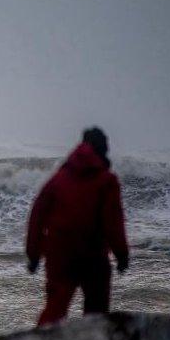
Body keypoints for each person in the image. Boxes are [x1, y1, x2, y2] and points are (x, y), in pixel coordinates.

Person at [25, 127, 129, 326]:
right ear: (102, 150)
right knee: (96, 312)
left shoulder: (59, 178)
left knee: (55, 308)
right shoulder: (107, 181)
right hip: (94, 253)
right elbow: (113, 222)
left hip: (60, 251)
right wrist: (122, 254)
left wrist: (33, 254)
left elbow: (37, 215)